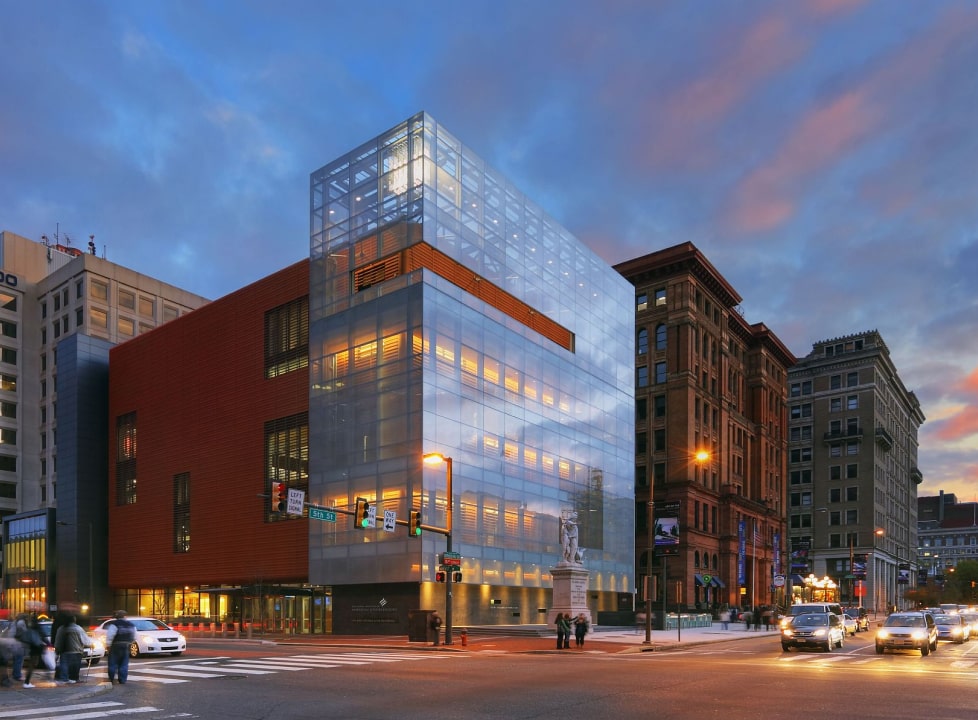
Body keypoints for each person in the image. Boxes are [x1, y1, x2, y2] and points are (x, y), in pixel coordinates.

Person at [54, 615, 92, 684]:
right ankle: (74, 678)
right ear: (74, 620)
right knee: (75, 666)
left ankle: (64, 678)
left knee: (64, 665)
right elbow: (85, 640)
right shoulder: (78, 628)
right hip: (76, 651)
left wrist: (57, 648)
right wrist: (90, 644)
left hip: (64, 651)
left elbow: (58, 640)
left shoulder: (61, 629)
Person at [105, 610, 136, 684]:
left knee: (112, 663)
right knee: (124, 663)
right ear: (125, 616)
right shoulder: (131, 624)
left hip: (116, 644)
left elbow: (110, 635)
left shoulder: (114, 624)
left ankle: (111, 679)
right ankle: (122, 680)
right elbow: (134, 636)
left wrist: (108, 645)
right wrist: (131, 642)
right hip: (126, 645)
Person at [21, 613, 50, 688]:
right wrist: (48, 643)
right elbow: (43, 635)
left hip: (33, 646)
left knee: (34, 663)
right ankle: (27, 682)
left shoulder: (30, 626)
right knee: (33, 663)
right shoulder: (37, 626)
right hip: (37, 647)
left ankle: (27, 681)